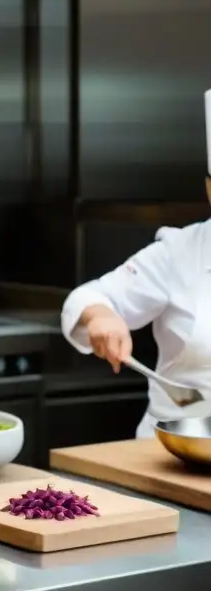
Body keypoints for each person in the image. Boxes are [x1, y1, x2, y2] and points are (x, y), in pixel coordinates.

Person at [60, 89, 211, 438]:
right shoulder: (180, 252)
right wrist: (102, 316)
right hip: (176, 450)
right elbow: (89, 298)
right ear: (209, 190)